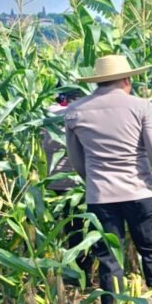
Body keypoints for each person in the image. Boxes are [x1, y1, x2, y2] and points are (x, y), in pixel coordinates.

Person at [65, 55, 152, 304]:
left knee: (108, 257)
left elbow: (77, 161)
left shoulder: (75, 112)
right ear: (127, 80)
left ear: (98, 82)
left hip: (100, 197)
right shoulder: (141, 107)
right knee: (150, 248)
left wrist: (95, 180)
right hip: (138, 192)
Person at [43, 86, 93, 286]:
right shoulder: (81, 114)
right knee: (80, 231)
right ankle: (82, 276)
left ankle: (73, 274)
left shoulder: (49, 113)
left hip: (55, 183)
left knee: (67, 231)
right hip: (79, 183)